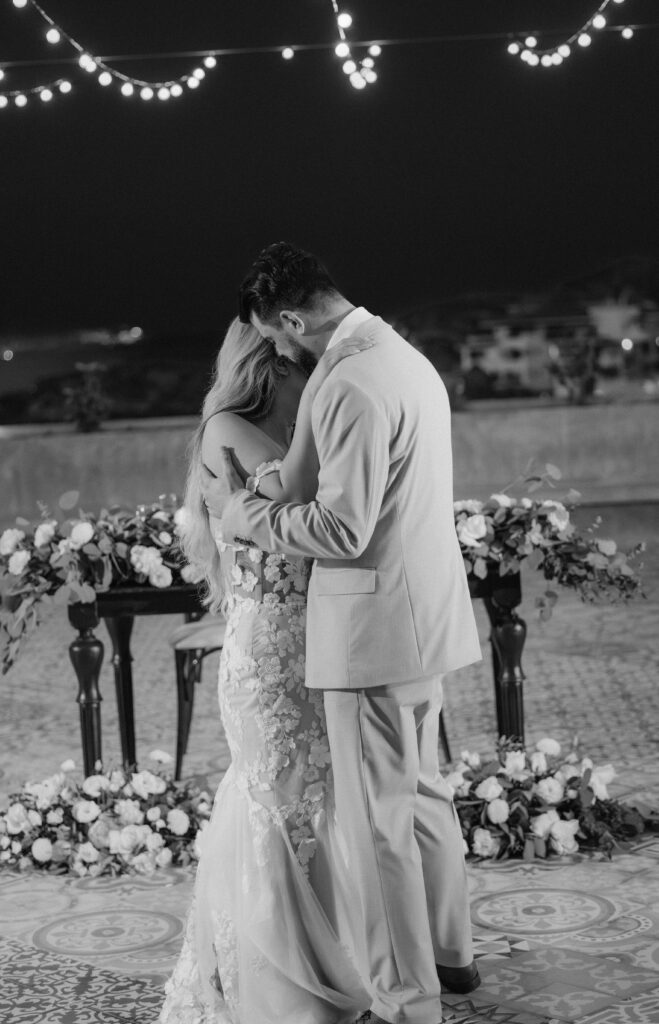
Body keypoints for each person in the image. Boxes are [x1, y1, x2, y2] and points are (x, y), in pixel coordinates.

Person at [200, 242, 483, 1024]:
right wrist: (271, 483)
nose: (279, 354)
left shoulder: (348, 380)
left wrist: (242, 512)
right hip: (421, 621)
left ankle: (405, 998)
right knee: (423, 794)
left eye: (275, 336)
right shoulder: (402, 359)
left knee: (379, 824)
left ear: (291, 319)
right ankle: (452, 955)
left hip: (370, 632)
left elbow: (341, 528)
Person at [159, 317, 372, 1024]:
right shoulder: (226, 428)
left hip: (319, 639)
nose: (313, 367)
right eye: (302, 359)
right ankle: (278, 986)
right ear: (272, 363)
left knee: (316, 797)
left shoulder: (293, 432)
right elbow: (299, 498)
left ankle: (331, 951)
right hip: (267, 650)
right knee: (275, 798)